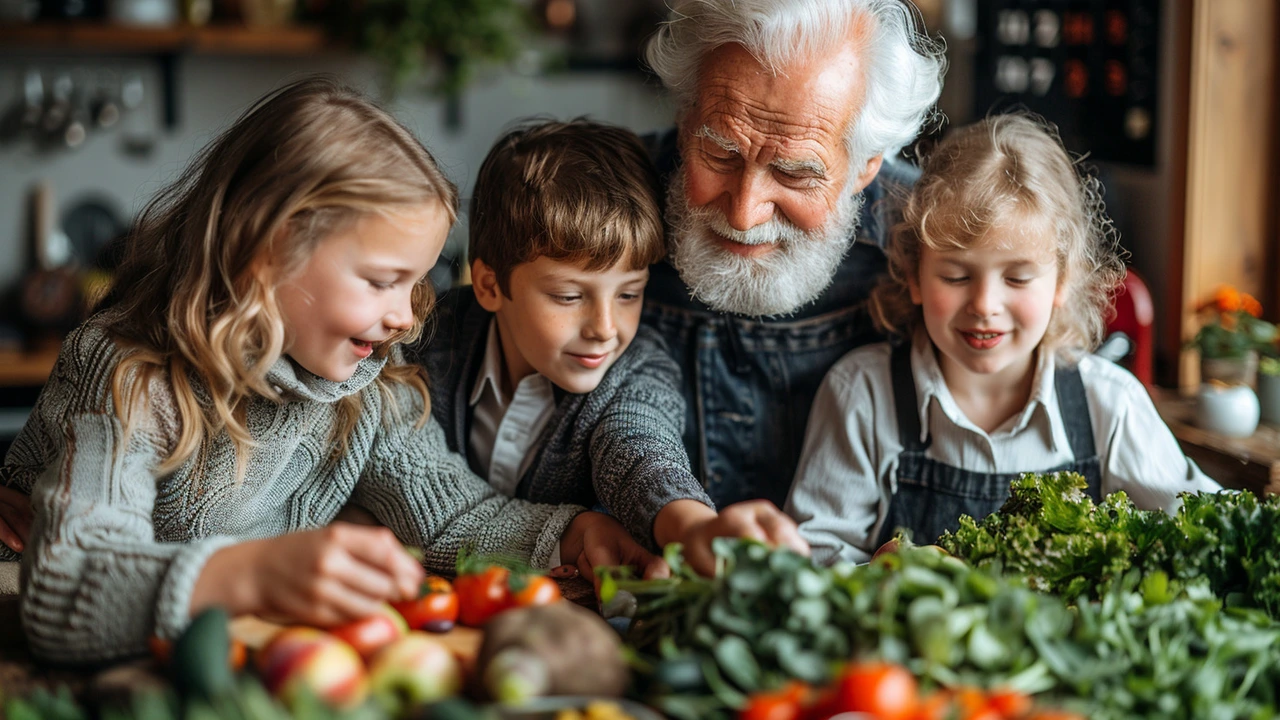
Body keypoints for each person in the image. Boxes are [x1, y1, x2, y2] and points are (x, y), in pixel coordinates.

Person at [0, 77, 660, 664]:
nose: (406, 316)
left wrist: (570, 533)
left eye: (416, 283)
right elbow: (65, 590)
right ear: (268, 252)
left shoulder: (367, 383)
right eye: (381, 281)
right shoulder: (127, 374)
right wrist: (254, 573)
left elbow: (450, 519)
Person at [785, 113, 1223, 566]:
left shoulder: (1109, 406)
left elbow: (1204, 528)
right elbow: (810, 564)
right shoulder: (862, 394)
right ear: (915, 274)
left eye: (1016, 278)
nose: (984, 304)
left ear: (1062, 282)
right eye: (955, 275)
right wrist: (876, 575)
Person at [414, 119, 806, 575]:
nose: (604, 328)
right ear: (489, 285)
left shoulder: (637, 368)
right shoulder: (430, 339)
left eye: (628, 294)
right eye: (569, 296)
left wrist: (692, 525)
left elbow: (639, 447)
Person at [638, 0, 947, 510]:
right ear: (685, 118)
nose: (743, 213)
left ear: (865, 168)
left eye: (795, 172)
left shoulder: (930, 249)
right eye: (720, 154)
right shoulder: (608, 204)